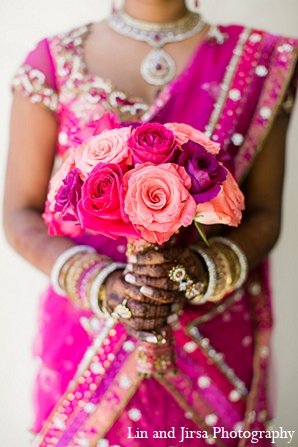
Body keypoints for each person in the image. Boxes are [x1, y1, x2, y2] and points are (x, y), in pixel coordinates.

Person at [3, 0, 297, 445]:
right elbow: (19, 211)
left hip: (213, 329)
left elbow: (264, 213)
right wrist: (103, 284)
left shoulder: (259, 60)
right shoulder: (53, 60)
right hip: (89, 338)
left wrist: (198, 271)